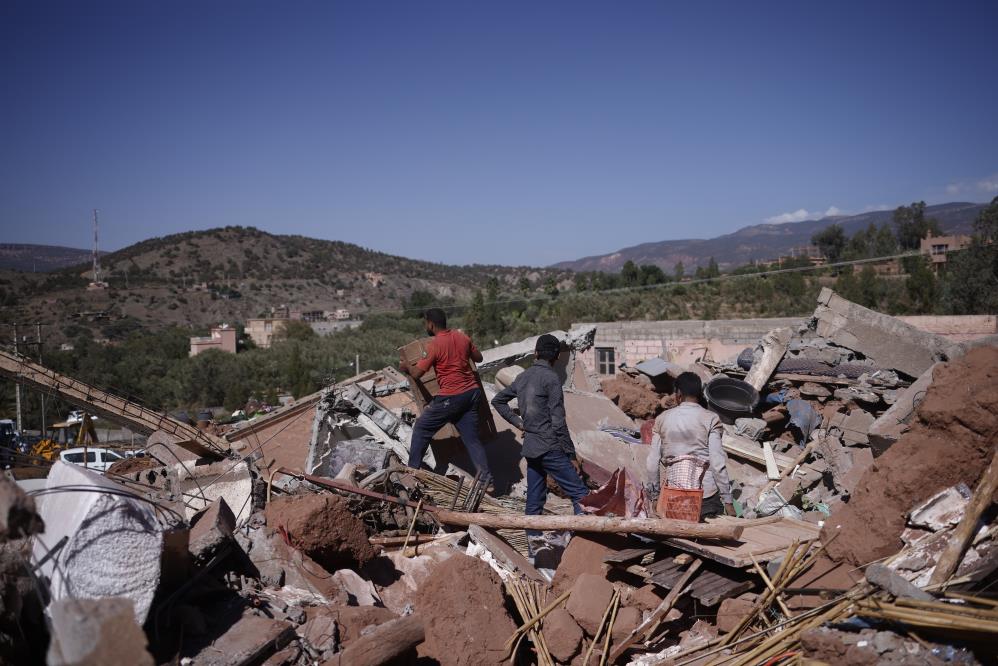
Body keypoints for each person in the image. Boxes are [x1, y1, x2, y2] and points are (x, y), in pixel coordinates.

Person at [491, 334, 589, 527]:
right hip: (549, 447)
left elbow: (498, 401)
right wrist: (571, 455)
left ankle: (533, 542)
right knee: (581, 495)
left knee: (534, 503)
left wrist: (519, 423)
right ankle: (586, 537)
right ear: (557, 356)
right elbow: (558, 423)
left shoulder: (523, 377)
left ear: (535, 353)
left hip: (531, 449)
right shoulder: (551, 379)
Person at [403, 308, 492, 483]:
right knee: (471, 439)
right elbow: (479, 358)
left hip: (452, 397)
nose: (426, 326)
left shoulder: (435, 345)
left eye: (425, 323)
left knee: (421, 427)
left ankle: (411, 472)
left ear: (431, 324)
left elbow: (417, 374)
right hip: (471, 394)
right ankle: (486, 480)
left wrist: (406, 366)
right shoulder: (462, 337)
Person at [647, 372, 735, 520]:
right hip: (705, 498)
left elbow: (652, 463)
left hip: (673, 497)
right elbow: (717, 463)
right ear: (699, 394)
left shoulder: (662, 419)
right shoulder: (711, 418)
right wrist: (728, 500)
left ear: (679, 394)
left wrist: (655, 496)